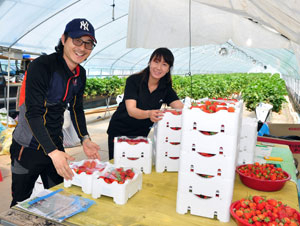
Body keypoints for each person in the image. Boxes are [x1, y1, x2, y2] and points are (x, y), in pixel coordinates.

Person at [10, 18, 100, 206]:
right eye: (77, 40)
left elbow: (76, 108)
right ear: (64, 39)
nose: (82, 48)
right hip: (28, 147)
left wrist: (85, 137)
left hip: (55, 145)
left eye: (88, 43)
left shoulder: (80, 74)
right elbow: (33, 113)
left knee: (58, 196)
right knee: (21, 201)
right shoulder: (42, 66)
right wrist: (53, 152)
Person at [107, 47, 184, 160]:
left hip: (141, 133)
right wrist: (149, 114)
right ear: (150, 62)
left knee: (136, 166)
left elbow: (180, 107)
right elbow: (131, 110)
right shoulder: (134, 81)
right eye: (156, 62)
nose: (158, 68)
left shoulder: (165, 88)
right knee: (118, 167)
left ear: (168, 69)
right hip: (120, 130)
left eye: (164, 64)